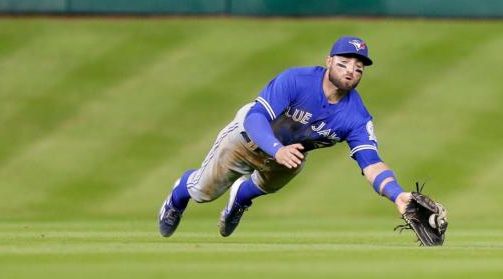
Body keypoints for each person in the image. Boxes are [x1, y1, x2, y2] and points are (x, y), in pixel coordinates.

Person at [158, 36, 412, 238]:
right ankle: (178, 197)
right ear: (328, 61)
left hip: (288, 156)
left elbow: (370, 162)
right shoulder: (296, 80)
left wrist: (397, 195)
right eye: (343, 62)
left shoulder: (357, 117)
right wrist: (277, 148)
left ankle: (240, 199)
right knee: (203, 192)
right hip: (246, 138)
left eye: (358, 68)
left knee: (275, 177)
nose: (350, 71)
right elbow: (256, 117)